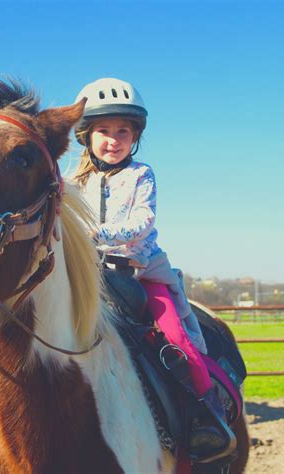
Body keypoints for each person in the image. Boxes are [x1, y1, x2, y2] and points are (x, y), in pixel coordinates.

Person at [72, 77, 233, 460]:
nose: (113, 139)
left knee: (178, 337)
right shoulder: (72, 181)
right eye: (104, 131)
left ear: (135, 136)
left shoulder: (141, 175)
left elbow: (143, 221)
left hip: (139, 272)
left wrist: (95, 233)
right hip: (89, 273)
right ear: (87, 136)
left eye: (122, 131)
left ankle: (205, 416)